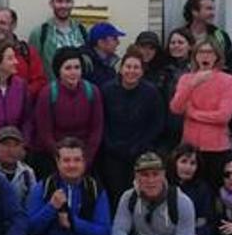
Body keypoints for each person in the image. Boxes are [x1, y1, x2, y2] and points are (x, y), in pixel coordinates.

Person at [100, 46, 164, 208]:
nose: (132, 71)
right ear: (121, 69)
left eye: (136, 67)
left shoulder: (151, 92)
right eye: (128, 67)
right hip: (112, 153)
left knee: (138, 194)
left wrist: (140, 146)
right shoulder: (107, 90)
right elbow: (101, 120)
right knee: (115, 194)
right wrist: (111, 144)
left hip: (140, 153)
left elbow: (156, 123)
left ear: (142, 71)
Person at [169, 40, 232, 188]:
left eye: (209, 52)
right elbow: (176, 108)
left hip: (217, 148)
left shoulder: (228, 80)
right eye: (201, 52)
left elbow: (224, 116)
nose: (205, 56)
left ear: (217, 57)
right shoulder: (186, 79)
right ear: (194, 56)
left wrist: (193, 114)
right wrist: (192, 85)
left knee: (213, 192)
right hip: (190, 147)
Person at [34, 46, 104, 174]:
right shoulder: (47, 93)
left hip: (86, 156)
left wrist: (86, 159)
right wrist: (62, 159)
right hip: (55, 157)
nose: (73, 72)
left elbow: (96, 129)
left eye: (77, 67)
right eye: (68, 68)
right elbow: (45, 133)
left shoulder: (93, 91)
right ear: (58, 70)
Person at [29, 0, 88, 82]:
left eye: (68, 1)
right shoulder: (39, 33)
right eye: (59, 1)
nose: (64, 5)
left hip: (78, 93)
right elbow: (33, 67)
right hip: (52, 93)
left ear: (72, 4)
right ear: (51, 4)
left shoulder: (82, 31)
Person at [181, 0, 232, 78]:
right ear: (194, 12)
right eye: (208, 9)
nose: (213, 13)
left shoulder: (220, 36)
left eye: (213, 9)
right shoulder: (179, 36)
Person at [157, 28, 196, 150]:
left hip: (191, 126)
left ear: (190, 46)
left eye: (180, 42)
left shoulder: (197, 70)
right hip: (166, 129)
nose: (176, 46)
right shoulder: (163, 69)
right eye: (172, 43)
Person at [82, 22, 125, 87]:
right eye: (114, 39)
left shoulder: (111, 62)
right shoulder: (84, 62)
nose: (118, 42)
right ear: (101, 42)